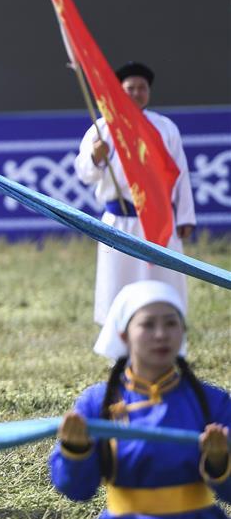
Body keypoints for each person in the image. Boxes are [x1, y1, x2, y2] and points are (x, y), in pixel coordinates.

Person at [51, 280, 230, 519]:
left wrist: (220, 461)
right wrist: (75, 450)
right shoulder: (97, 402)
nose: (161, 335)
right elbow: (76, 490)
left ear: (183, 331)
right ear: (124, 334)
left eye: (171, 324)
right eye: (148, 325)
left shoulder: (213, 402)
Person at [75, 61, 196, 325]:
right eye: (130, 88)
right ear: (119, 91)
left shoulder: (164, 128)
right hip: (119, 221)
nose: (137, 93)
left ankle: (170, 344)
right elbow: (85, 174)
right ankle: (119, 349)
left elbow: (180, 174)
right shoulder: (103, 128)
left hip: (159, 220)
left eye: (142, 88)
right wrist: (96, 157)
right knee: (118, 285)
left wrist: (185, 216)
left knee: (164, 282)